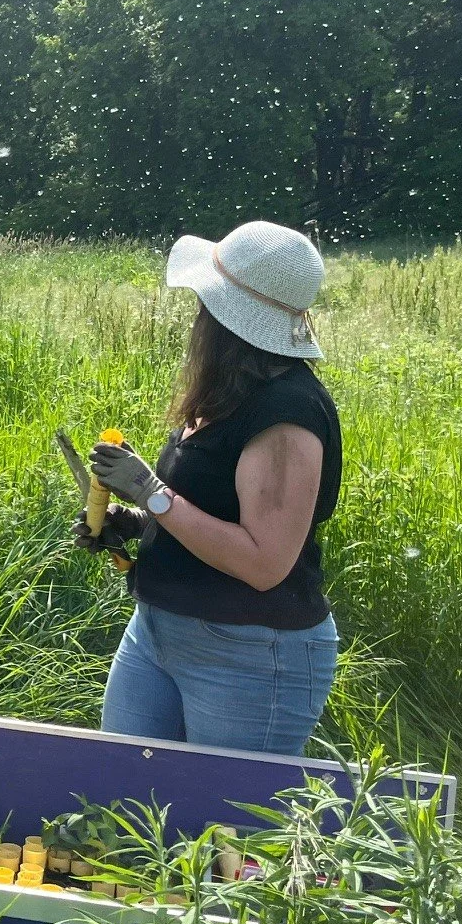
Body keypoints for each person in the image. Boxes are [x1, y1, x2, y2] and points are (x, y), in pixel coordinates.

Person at [76, 220, 342, 755]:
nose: (196, 317)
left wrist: (152, 493)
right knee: (123, 805)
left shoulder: (286, 418)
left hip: (250, 654)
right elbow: (210, 511)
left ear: (225, 318)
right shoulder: (230, 394)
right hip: (157, 632)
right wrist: (137, 524)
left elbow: (264, 562)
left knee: (226, 834)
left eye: (204, 303)